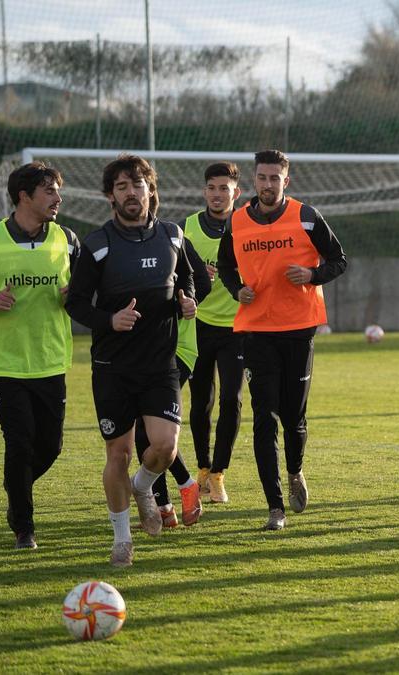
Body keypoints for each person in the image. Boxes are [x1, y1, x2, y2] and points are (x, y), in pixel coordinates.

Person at [66, 154, 197, 567]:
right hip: (113, 368)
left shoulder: (173, 236)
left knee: (164, 446)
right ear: (110, 197)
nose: (131, 193)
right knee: (118, 453)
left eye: (137, 184)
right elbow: (74, 303)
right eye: (121, 187)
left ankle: (144, 486)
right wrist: (109, 319)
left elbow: (190, 278)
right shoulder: (98, 244)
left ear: (150, 190)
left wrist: (187, 299)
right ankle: (122, 539)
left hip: (160, 364)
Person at [216, 149, 348, 531]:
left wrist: (312, 275)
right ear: (253, 181)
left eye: (275, 178)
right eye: (262, 178)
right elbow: (226, 264)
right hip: (257, 331)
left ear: (286, 181)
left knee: (294, 417)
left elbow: (339, 259)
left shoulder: (306, 216)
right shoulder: (237, 221)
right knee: (263, 417)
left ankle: (295, 471)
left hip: (300, 328)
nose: (268, 184)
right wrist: (236, 288)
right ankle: (275, 507)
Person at [0, 162, 78, 550]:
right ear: (24, 196)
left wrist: (74, 296)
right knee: (20, 441)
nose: (58, 198)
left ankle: (16, 485)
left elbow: (89, 291)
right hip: (4, 362)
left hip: (50, 358)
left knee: (50, 446)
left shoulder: (68, 241)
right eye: (49, 191)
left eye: (57, 191)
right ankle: (24, 528)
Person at [131, 208, 212, 528]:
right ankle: (169, 503)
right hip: (144, 350)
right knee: (146, 427)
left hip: (178, 347)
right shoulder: (121, 244)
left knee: (148, 427)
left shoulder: (172, 237)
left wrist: (186, 303)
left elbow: (201, 282)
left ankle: (176, 492)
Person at [186, 161, 244, 504]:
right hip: (200, 326)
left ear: (236, 192)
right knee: (201, 402)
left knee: (232, 400)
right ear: (204, 191)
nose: (217, 194)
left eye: (224, 188)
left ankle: (219, 474)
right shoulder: (188, 228)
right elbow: (177, 273)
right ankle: (203, 470)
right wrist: (196, 279)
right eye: (212, 188)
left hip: (238, 326)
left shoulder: (247, 226)